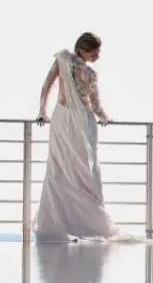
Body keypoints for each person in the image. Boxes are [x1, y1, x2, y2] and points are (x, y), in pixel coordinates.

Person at [34, 31, 125, 241]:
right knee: (60, 168)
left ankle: (90, 226)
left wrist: (105, 117)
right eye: (95, 51)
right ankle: (57, 224)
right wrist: (42, 111)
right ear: (82, 49)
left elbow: (94, 102)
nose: (98, 56)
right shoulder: (64, 59)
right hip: (63, 119)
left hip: (85, 122)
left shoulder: (92, 74)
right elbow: (47, 85)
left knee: (86, 171)